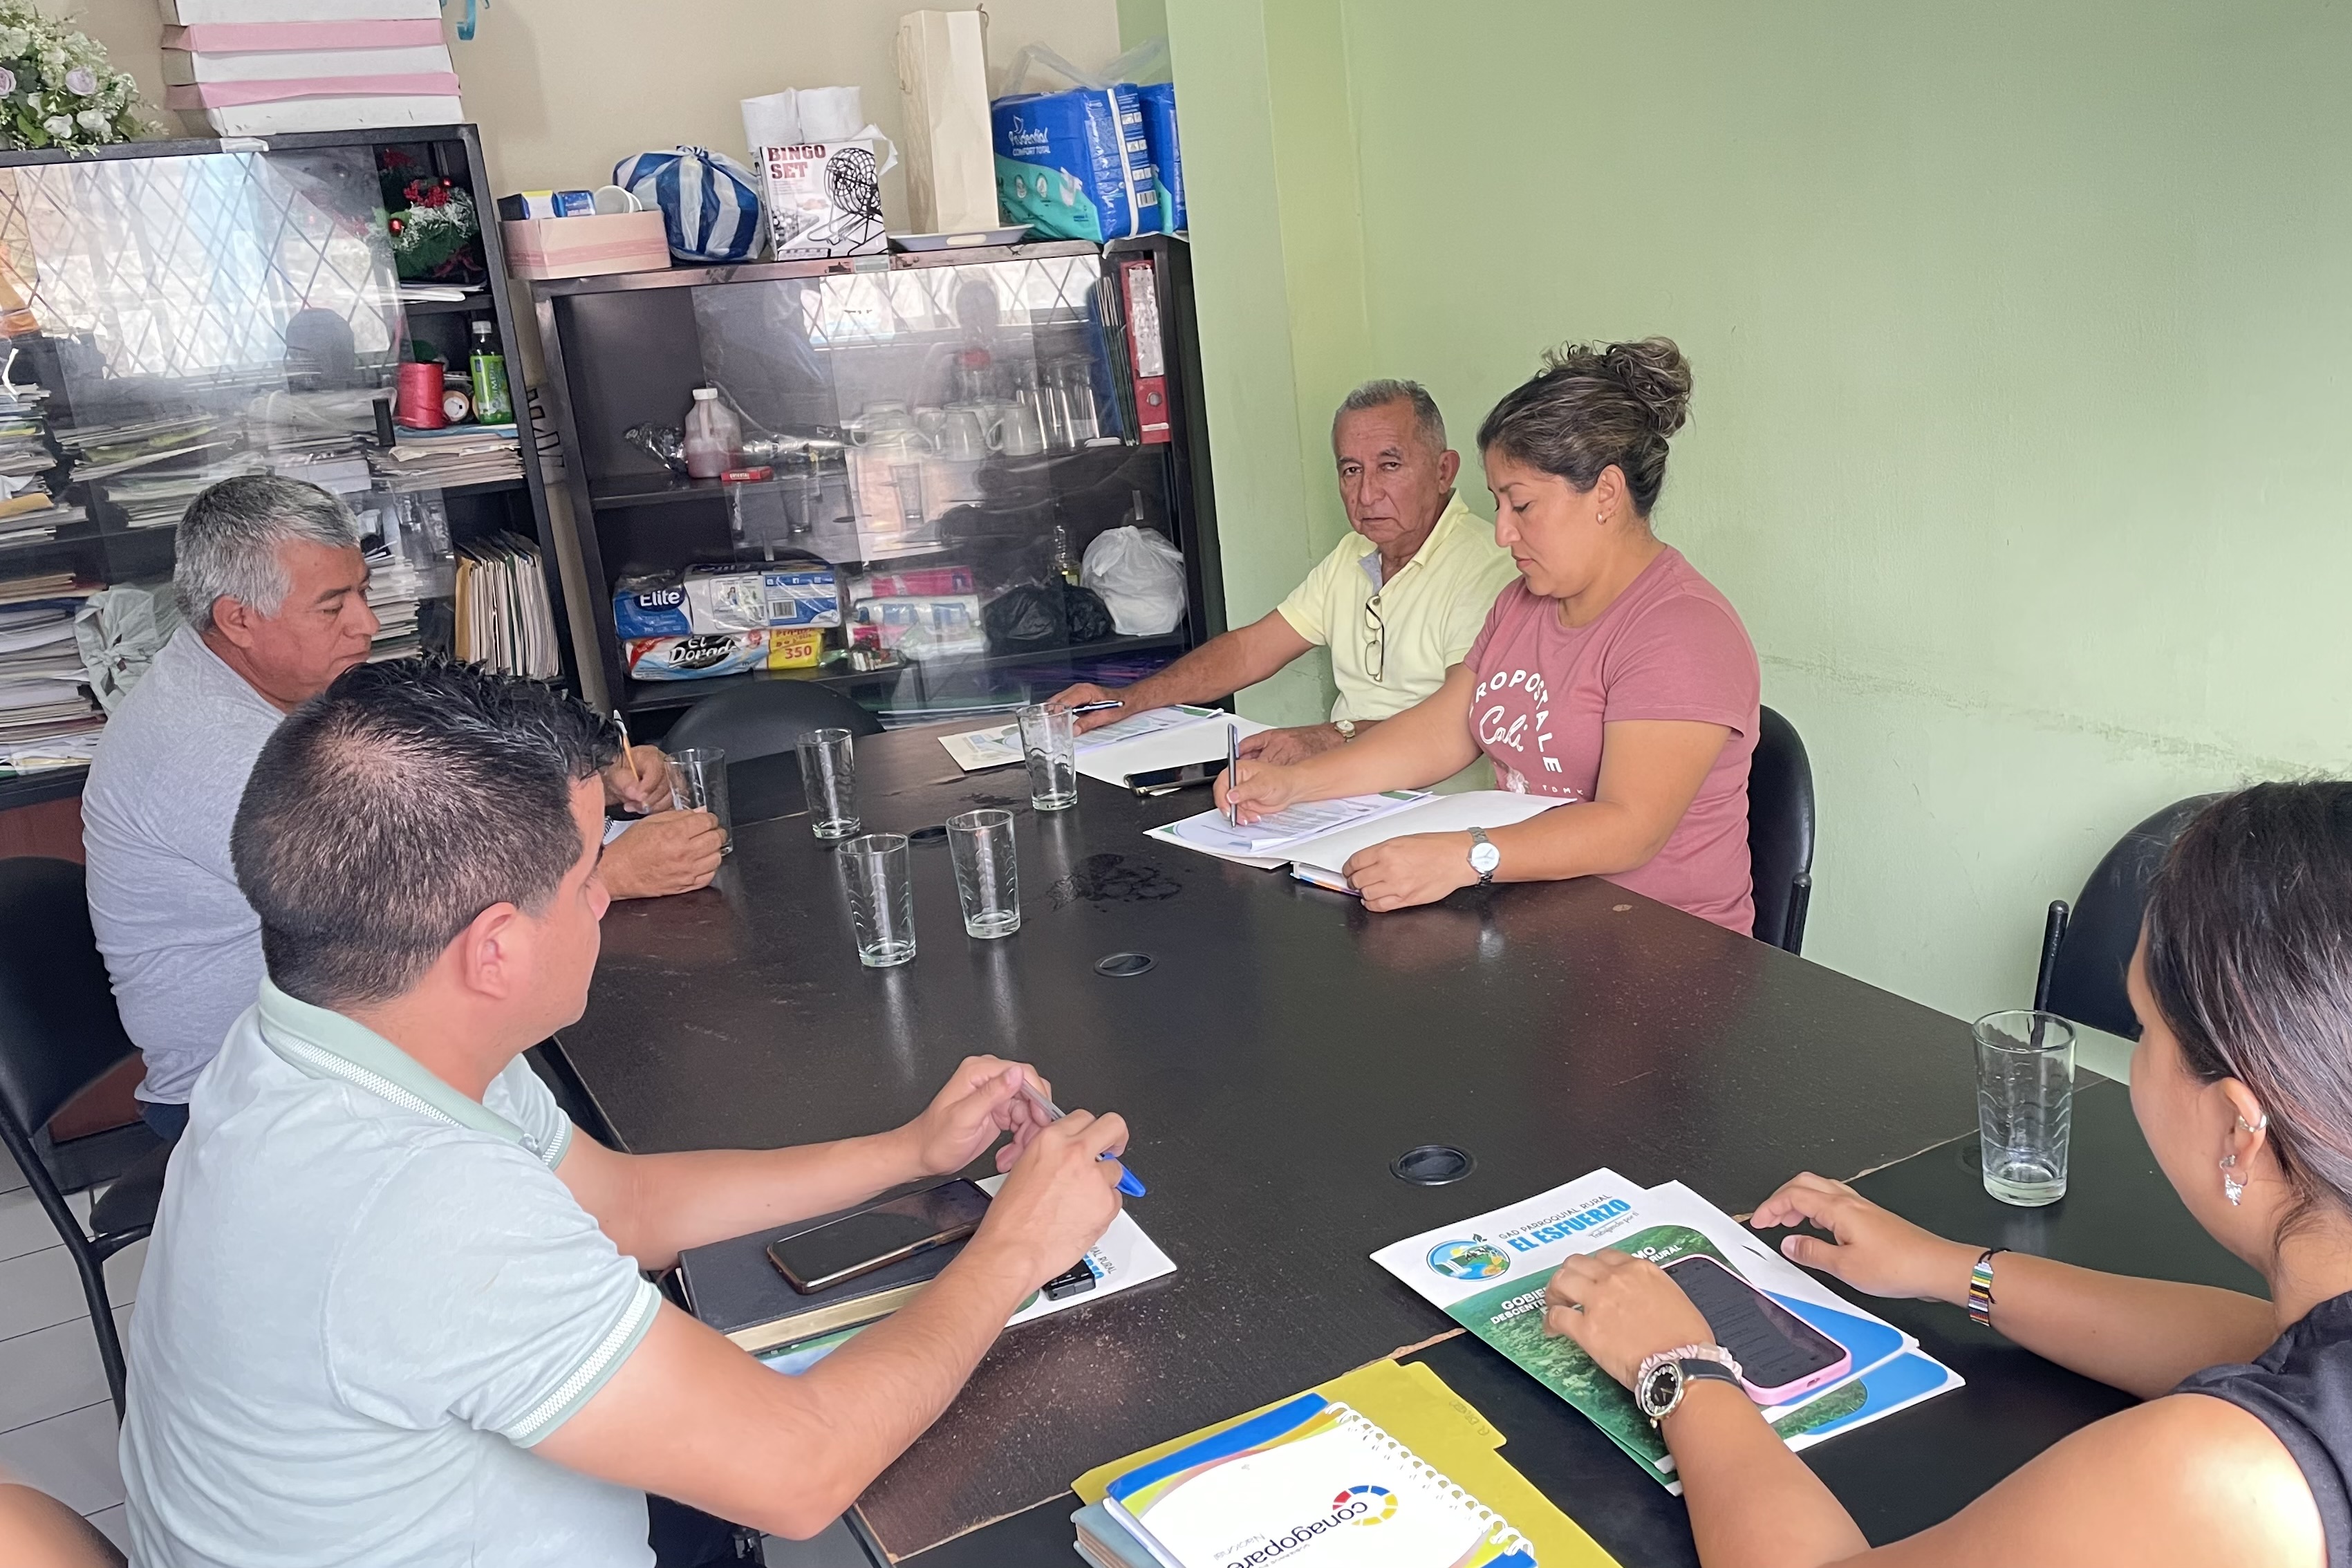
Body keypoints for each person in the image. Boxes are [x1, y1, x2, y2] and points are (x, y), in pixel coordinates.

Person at [1539, 778, 2352, 1568]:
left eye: (2140, 1031)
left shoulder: (2225, 1485)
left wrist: (1683, 1364)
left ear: (2240, 1126)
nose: (2130, 1060)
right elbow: (2261, 1343)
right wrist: (1949, 1270)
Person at [118, 657, 1131, 1567]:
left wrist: (908, 1151)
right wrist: (1017, 1246)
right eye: (586, 874)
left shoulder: (336, 1030)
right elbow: (800, 1471)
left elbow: (623, 1207)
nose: (605, 896)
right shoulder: (417, 1203)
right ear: (494, 950)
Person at [82, 475, 720, 1140]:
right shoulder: (203, 744)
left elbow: (442, 804)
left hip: (353, 1039)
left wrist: (588, 783)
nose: (368, 625)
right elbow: (419, 899)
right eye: (333, 607)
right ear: (238, 619)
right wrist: (608, 874)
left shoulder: (273, 690)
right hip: (257, 1096)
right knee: (627, 1086)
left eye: (363, 592)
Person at [1221, 339, 1762, 934]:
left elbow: (1630, 827)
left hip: (1663, 950)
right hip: (1538, 926)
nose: (1503, 533)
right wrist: (1296, 784)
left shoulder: (1681, 631)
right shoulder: (1523, 604)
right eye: (1498, 504)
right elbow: (1441, 732)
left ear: (1606, 494)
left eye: (1521, 505)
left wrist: (1464, 855)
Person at [1051, 379, 1518, 769]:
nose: (1367, 493)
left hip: (1434, 808)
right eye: (1351, 470)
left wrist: (1330, 737)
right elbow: (1251, 650)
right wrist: (1128, 700)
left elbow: (1459, 724)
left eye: (1390, 466)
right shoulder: (1355, 554)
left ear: (1443, 471)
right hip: (1343, 789)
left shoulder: (1487, 566)